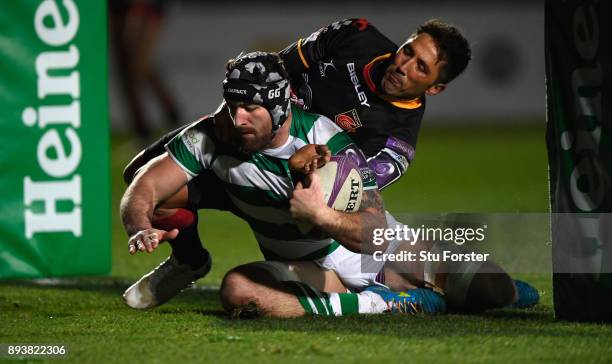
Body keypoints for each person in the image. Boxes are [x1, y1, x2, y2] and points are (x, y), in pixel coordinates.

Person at [120, 52, 524, 317]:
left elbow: (376, 233)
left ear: (279, 108)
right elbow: (145, 185)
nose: (237, 118)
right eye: (231, 105)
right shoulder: (212, 135)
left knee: (498, 290)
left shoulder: (326, 139)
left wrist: (321, 216)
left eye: (250, 108)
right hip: (310, 267)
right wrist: (140, 226)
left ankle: (393, 295)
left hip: (369, 253)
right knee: (238, 291)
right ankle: (379, 305)